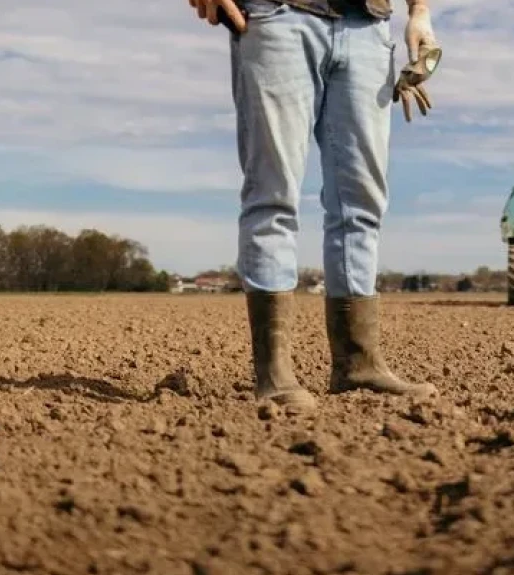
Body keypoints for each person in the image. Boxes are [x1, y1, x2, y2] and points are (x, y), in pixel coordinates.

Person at [185, 0, 440, 413]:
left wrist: (420, 11)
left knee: (362, 201)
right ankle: (275, 373)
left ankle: (358, 363)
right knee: (274, 193)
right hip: (279, 16)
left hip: (368, 27)